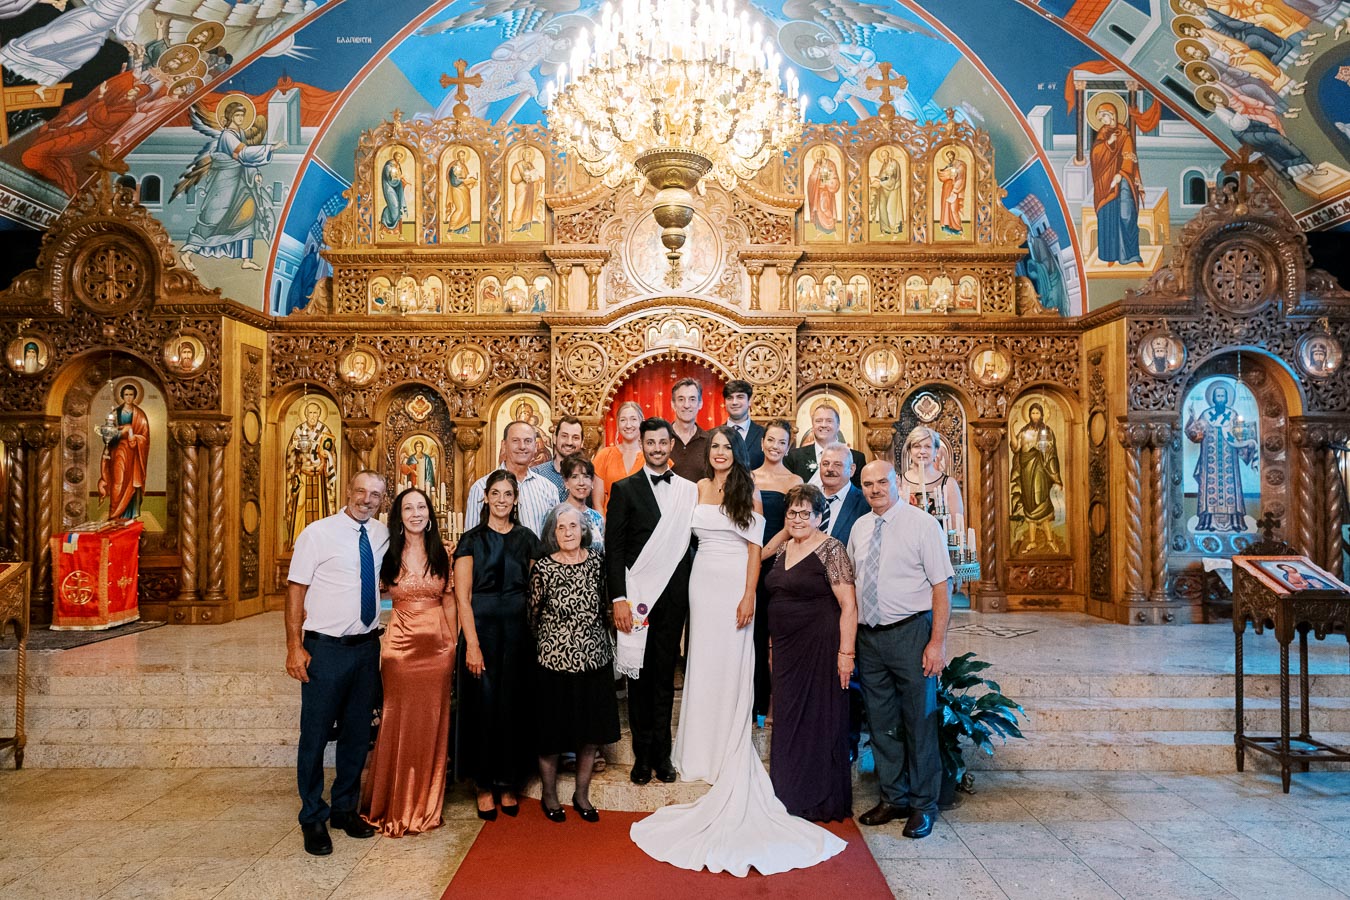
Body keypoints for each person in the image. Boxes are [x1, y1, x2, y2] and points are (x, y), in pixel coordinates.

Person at [630, 428, 846, 876]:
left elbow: (754, 548)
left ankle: (725, 747)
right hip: (700, 582)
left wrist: (749, 593)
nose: (721, 453)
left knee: (729, 664)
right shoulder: (696, 488)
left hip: (733, 581)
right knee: (701, 665)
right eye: (715, 448)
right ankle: (698, 752)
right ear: (708, 455)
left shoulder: (749, 491)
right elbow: (675, 540)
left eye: (728, 447)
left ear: (738, 453)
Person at [285, 470, 389, 855]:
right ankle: (313, 815)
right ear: (348, 491)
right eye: (361, 491)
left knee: (357, 734)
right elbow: (296, 590)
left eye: (375, 494)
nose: (367, 499)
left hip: (366, 649)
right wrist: (294, 646)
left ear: (382, 499)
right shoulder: (317, 533)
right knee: (313, 735)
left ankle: (344, 808)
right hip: (325, 649)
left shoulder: (380, 535)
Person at [848, 461, 953, 840]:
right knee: (881, 722)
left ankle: (924, 805)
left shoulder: (922, 525)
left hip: (911, 634)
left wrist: (936, 643)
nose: (875, 489)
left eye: (882, 482)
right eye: (868, 484)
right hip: (870, 639)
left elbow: (942, 587)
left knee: (919, 722)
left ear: (895, 483)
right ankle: (894, 797)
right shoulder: (860, 528)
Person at [607, 417, 698, 785]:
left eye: (663, 443)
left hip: (675, 597)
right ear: (641, 445)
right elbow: (614, 550)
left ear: (671, 446)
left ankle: (664, 755)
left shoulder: (688, 491)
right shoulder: (624, 488)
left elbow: (693, 543)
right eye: (651, 443)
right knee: (639, 679)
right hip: (638, 597)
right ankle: (642, 756)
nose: (658, 449)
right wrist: (619, 599)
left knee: (664, 676)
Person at [360, 487, 456, 837]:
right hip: (399, 648)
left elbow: (449, 601)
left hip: (438, 649)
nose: (416, 513)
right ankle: (392, 802)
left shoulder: (443, 552)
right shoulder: (386, 553)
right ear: (398, 516)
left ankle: (425, 803)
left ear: (430, 513)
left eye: (421, 507)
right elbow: (372, 595)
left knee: (433, 722)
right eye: (408, 508)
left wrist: (454, 641)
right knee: (396, 721)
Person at [454, 470, 543, 821]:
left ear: (516, 499)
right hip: (483, 633)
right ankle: (483, 784)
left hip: (519, 633)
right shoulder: (471, 540)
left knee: (513, 707)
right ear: (486, 498)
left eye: (508, 494)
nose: (502, 500)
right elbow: (463, 598)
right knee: (483, 708)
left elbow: (537, 591)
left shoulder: (528, 539)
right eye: (496, 493)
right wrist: (472, 646)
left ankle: (508, 782)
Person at [765, 484, 857, 821]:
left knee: (819, 718)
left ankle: (818, 797)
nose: (799, 518)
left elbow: (849, 605)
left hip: (821, 645)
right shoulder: (782, 548)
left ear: (820, 516)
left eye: (807, 513)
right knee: (789, 720)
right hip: (786, 650)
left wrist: (846, 654)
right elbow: (757, 559)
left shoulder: (832, 549)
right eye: (793, 512)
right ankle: (788, 792)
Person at [530, 503, 621, 823]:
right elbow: (533, 616)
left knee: (590, 733)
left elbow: (607, 605)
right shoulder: (543, 567)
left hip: (594, 660)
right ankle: (550, 794)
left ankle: (582, 794)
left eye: (573, 526)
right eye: (561, 528)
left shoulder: (598, 562)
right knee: (551, 735)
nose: (568, 533)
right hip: (553, 663)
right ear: (553, 534)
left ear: (584, 530)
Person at [750, 419, 803, 723]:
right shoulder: (749, 476)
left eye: (781, 442)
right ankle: (754, 701)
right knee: (754, 633)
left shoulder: (794, 480)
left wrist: (763, 554)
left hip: (778, 559)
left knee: (776, 633)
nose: (774, 446)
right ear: (762, 442)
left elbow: (792, 525)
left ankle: (776, 702)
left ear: (788, 446)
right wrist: (751, 556)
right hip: (750, 558)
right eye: (770, 440)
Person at [1184, 382, 1257, 533]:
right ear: (1213, 398)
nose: (1220, 399)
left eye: (1223, 396)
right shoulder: (1206, 415)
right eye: (1218, 396)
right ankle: (1208, 522)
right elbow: (1195, 435)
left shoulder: (1233, 415)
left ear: (1227, 398)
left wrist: (1249, 443)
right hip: (1209, 461)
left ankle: (1235, 522)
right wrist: (1192, 417)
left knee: (1231, 487)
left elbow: (1240, 435)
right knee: (1210, 488)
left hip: (1229, 462)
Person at [465, 421, 558, 536]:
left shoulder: (549, 489)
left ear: (535, 446)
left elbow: (555, 538)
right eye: (515, 441)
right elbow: (471, 541)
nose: (522, 446)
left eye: (528, 441)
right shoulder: (481, 487)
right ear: (504, 445)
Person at [1090, 104, 1144, 266]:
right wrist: (1108, 143)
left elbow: (1129, 158)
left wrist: (1120, 175)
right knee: (1108, 217)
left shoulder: (1125, 135)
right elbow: (1095, 156)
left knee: (1126, 216)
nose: (1103, 121)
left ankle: (1131, 255)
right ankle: (1110, 256)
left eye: (1104, 117)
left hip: (1124, 181)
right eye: (1100, 119)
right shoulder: (1103, 133)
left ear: (1112, 115)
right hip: (1105, 183)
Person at [1010, 403, 1064, 552]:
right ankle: (1032, 541)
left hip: (1040, 471)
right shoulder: (1024, 431)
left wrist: (1056, 478)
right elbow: (1015, 448)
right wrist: (1011, 427)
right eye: (1032, 413)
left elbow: (1051, 455)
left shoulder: (1046, 431)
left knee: (1041, 502)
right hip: (1026, 471)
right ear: (1029, 415)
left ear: (1041, 415)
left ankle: (1050, 540)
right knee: (1029, 504)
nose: (1035, 416)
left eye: (1037, 413)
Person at [285, 401, 338, 548]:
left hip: (320, 477)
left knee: (320, 508)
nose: (312, 416)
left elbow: (331, 451)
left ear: (319, 415)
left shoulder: (325, 430)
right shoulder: (298, 431)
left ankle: (322, 542)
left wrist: (326, 454)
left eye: (315, 413)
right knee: (301, 505)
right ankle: (298, 539)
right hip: (303, 475)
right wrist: (295, 448)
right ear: (306, 414)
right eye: (310, 413)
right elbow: (290, 454)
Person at [900, 426, 965, 536]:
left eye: (928, 447)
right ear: (910, 451)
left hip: (938, 545)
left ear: (936, 451)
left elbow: (955, 526)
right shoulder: (898, 481)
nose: (922, 451)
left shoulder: (948, 483)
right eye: (916, 446)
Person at [99, 381, 151, 520]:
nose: (129, 397)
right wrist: (122, 432)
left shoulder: (140, 415)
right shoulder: (115, 413)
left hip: (134, 456)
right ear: (122, 396)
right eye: (126, 394)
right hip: (118, 453)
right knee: (119, 482)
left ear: (135, 396)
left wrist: (134, 436)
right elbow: (108, 436)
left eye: (131, 394)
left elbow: (145, 438)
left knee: (133, 484)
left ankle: (130, 518)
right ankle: (115, 516)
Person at [785, 401, 865, 488]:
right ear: (813, 425)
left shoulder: (856, 458)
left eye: (829, 421)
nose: (823, 425)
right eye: (818, 421)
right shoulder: (795, 457)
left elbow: (859, 494)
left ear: (838, 426)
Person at [593, 400, 645, 514]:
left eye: (633, 419)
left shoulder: (651, 457)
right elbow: (597, 503)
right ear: (617, 424)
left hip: (645, 528)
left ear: (642, 423)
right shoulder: (604, 455)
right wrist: (604, 528)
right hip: (611, 526)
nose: (628, 425)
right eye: (623, 420)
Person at [531, 415, 588, 500]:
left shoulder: (588, 476)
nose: (569, 442)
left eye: (575, 438)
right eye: (564, 436)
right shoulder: (537, 474)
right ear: (554, 438)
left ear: (582, 442)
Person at [668, 377, 711, 482]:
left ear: (700, 404)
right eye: (681, 399)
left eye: (692, 399)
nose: (686, 405)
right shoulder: (661, 439)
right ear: (673, 404)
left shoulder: (710, 442)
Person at [560, 453, 605, 551]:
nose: (581, 483)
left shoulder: (597, 518)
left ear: (592, 481)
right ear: (566, 482)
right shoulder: (556, 515)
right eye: (575, 477)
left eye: (586, 476)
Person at [722, 379, 765, 470]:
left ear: (749, 401)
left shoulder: (764, 435)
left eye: (740, 397)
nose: (734, 402)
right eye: (730, 398)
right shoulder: (712, 435)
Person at [806, 146, 841, 236]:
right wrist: (814, 178)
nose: (818, 158)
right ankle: (821, 230)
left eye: (819, 156)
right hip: (817, 192)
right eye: (817, 156)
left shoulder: (830, 164)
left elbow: (834, 177)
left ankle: (831, 228)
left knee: (824, 207)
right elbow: (812, 178)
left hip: (826, 191)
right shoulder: (816, 165)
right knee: (818, 209)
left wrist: (827, 183)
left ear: (823, 155)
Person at [870, 146, 904, 236]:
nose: (884, 158)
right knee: (882, 207)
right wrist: (877, 178)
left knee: (891, 208)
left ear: (888, 155)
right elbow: (883, 176)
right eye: (882, 156)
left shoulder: (893, 163)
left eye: (885, 156)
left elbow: (891, 177)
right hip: (883, 188)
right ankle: (885, 229)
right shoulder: (884, 164)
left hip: (893, 188)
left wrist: (879, 181)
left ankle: (894, 227)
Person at [445, 148, 477, 235]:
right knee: (460, 209)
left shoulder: (464, 166)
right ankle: (450, 230)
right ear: (458, 156)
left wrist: (472, 181)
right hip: (457, 189)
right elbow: (455, 181)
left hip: (464, 190)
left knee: (466, 210)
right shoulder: (456, 167)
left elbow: (465, 178)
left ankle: (464, 232)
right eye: (460, 156)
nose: (462, 157)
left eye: (463, 155)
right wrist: (467, 181)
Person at [936, 148, 967, 236]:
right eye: (948, 156)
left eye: (950, 155)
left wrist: (955, 190)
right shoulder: (949, 165)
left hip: (954, 190)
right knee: (946, 207)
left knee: (954, 209)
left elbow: (960, 178)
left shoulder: (960, 165)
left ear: (954, 155)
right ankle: (947, 226)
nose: (949, 158)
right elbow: (944, 174)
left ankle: (957, 228)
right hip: (946, 189)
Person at [381, 148, 410, 232]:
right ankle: (386, 225)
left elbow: (400, 177)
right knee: (394, 206)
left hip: (397, 187)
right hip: (389, 188)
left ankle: (393, 229)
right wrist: (399, 178)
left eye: (400, 157)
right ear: (394, 156)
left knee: (398, 206)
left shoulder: (398, 165)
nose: (399, 158)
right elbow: (390, 179)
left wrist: (405, 182)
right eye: (398, 156)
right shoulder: (388, 166)